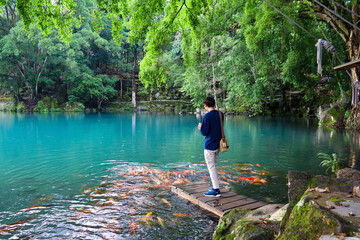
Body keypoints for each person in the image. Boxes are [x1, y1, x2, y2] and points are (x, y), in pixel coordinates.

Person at [197, 96, 224, 197]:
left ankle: (216, 190)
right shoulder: (220, 114)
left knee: (211, 167)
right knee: (214, 165)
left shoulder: (207, 116)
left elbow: (204, 132)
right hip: (218, 144)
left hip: (209, 145)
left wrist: (200, 127)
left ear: (205, 105)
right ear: (214, 104)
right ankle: (214, 186)